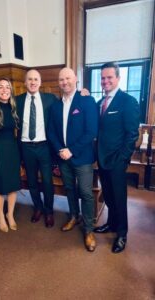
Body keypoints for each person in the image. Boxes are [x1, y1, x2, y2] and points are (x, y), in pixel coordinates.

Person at [48, 67, 98, 252]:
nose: (65, 82)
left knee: (85, 193)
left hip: (82, 158)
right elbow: (51, 131)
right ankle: (73, 216)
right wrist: (60, 150)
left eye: (68, 78)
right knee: (69, 189)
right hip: (63, 157)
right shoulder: (55, 106)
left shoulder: (87, 101)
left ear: (75, 79)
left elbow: (91, 131)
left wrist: (71, 150)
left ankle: (88, 230)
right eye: (61, 79)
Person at [93, 62, 140, 253]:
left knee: (119, 199)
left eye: (109, 77)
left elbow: (132, 135)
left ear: (118, 78)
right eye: (103, 78)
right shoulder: (98, 103)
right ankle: (111, 224)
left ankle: (122, 234)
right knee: (109, 196)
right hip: (102, 160)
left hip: (117, 161)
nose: (105, 81)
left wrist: (123, 159)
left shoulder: (128, 101)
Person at [16, 69, 57, 228]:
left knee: (47, 181)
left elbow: (68, 101)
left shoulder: (50, 99)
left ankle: (49, 211)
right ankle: (38, 208)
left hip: (44, 146)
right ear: (25, 82)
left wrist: (82, 93)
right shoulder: (17, 100)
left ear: (40, 82)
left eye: (36, 79)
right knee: (32, 181)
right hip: (26, 147)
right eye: (30, 79)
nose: (33, 82)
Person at [0, 78, 20, 232]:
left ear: (11, 89)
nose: (4, 90)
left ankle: (10, 214)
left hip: (13, 150)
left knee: (13, 185)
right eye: (1, 87)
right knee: (0, 186)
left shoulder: (14, 106)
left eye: (7, 87)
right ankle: (1, 215)